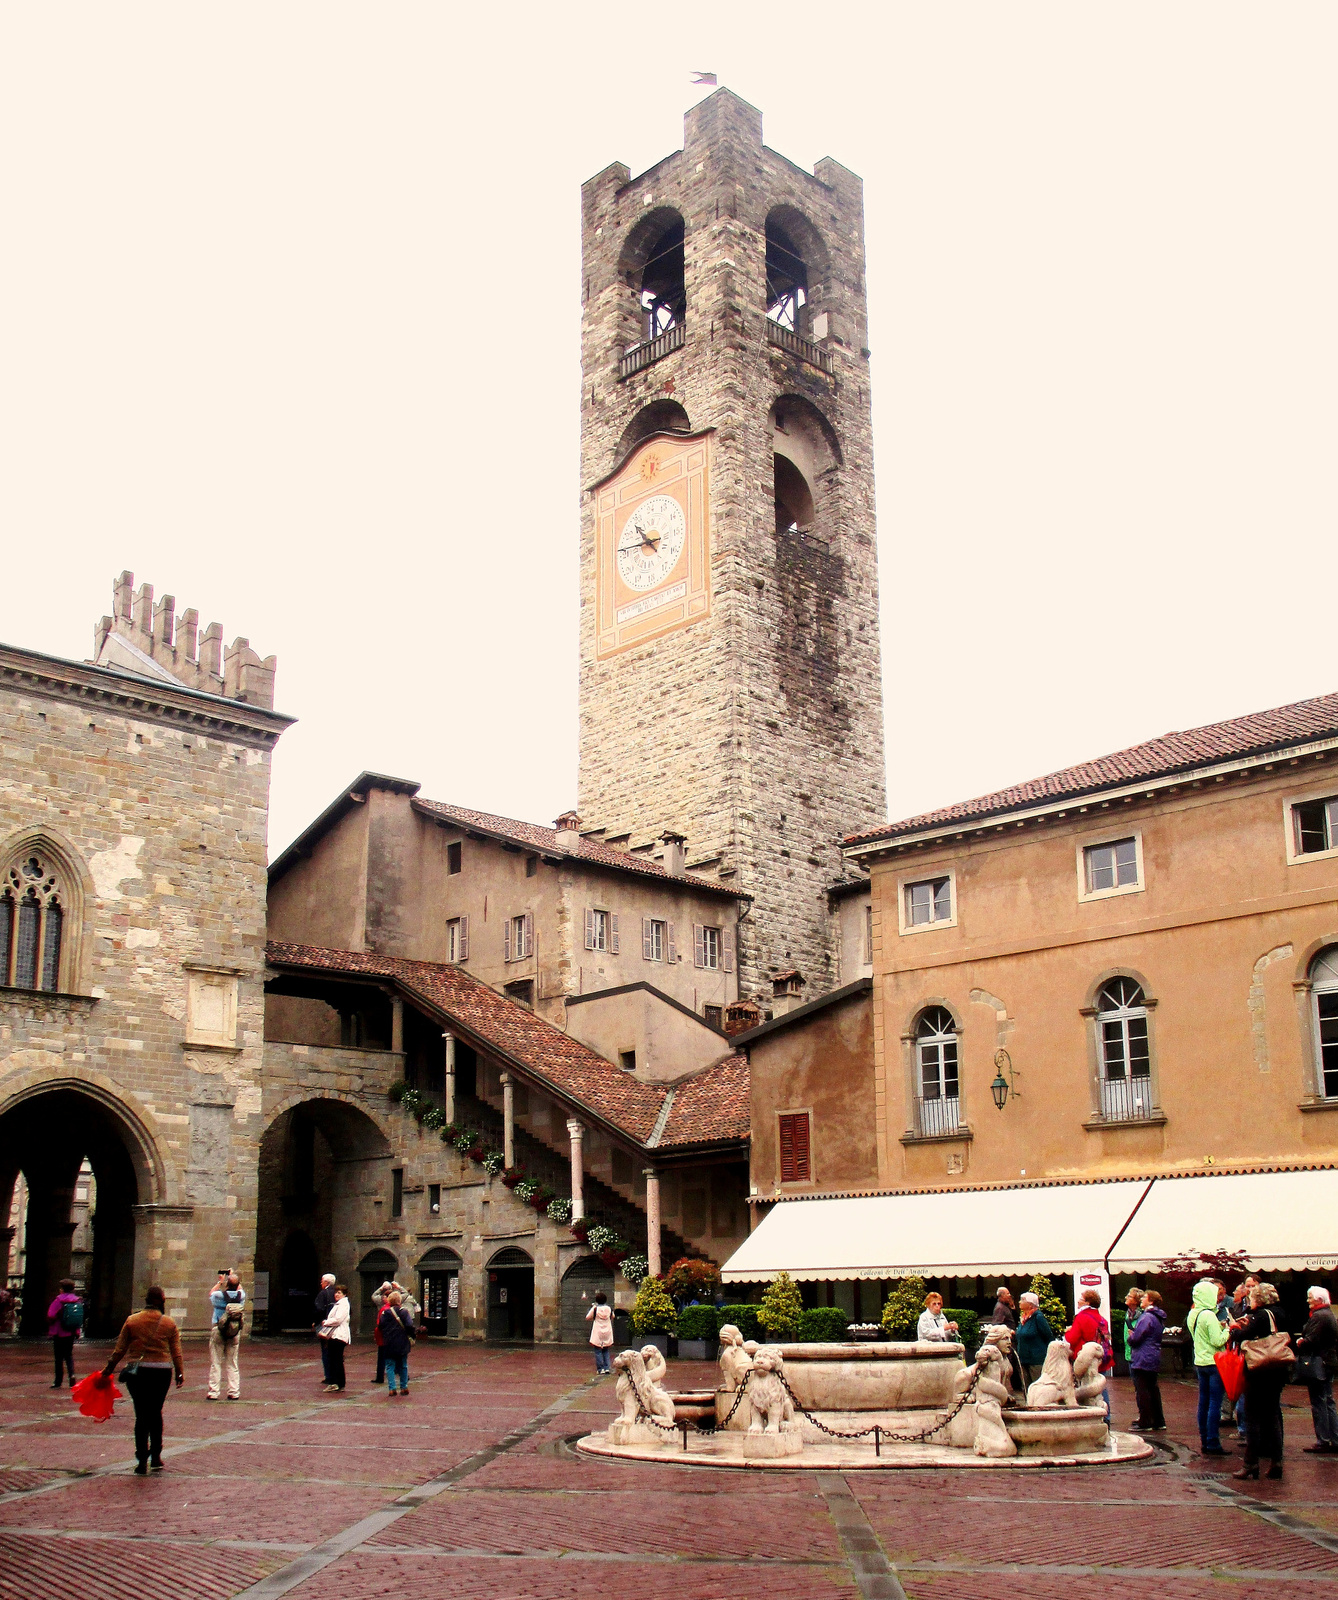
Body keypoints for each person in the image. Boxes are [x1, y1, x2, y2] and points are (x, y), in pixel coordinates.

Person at [102, 1285, 184, 1474]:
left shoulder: (132, 1321)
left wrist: (108, 1369)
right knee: (156, 1412)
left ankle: (141, 1459)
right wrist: (180, 1372)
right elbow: (176, 1352)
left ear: (146, 1300)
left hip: (137, 1372)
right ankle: (156, 1456)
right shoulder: (169, 1323)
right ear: (162, 1300)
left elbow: (120, 1350)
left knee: (141, 1414)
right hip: (162, 1371)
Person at [1229, 1281, 1289, 1480]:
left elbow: (1242, 1335)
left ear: (1259, 1299)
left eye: (1252, 1297)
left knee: (1252, 1415)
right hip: (1278, 1369)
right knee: (1273, 1414)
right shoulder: (1280, 1312)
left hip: (1259, 1370)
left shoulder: (1261, 1315)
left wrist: (1234, 1329)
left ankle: (1251, 1463)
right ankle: (1277, 1460)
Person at [1187, 1278, 1231, 1455]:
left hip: (1200, 1362)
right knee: (1215, 1403)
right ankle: (1213, 1442)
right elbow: (1217, 1340)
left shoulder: (1193, 1314)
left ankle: (1204, 1440)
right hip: (1214, 1363)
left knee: (1203, 1402)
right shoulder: (1208, 1315)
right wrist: (1227, 1328)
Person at [1296, 1285, 1338, 1455]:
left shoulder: (1319, 1317)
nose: (1308, 1301)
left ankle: (1323, 1439)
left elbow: (1311, 1339)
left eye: (1310, 1297)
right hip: (1328, 1361)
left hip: (1319, 1362)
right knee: (1328, 1401)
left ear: (1319, 1299)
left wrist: (1301, 1342)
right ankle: (1333, 1438)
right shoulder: (1328, 1315)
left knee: (1319, 1401)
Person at [1064, 1288, 1114, 1422]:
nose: (1078, 1300)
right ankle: (1105, 1414)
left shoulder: (1082, 1317)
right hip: (1101, 1357)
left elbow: (1072, 1339)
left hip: (1085, 1358)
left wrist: (1067, 1332)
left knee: (1087, 1386)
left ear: (1087, 1302)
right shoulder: (1100, 1317)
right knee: (1100, 1384)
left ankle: (1092, 1415)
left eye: (1081, 1297)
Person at [1128, 1290, 1167, 1431]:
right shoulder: (1157, 1317)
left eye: (1144, 1297)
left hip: (1143, 1357)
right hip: (1153, 1356)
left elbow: (1137, 1338)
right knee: (1153, 1389)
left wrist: (1131, 1337)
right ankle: (1158, 1420)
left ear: (1151, 1301)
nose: (1142, 1299)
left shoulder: (1146, 1317)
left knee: (1142, 1390)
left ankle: (1145, 1421)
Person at [207, 1271, 245, 1401]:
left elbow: (211, 1293)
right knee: (232, 1363)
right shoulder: (241, 1296)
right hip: (234, 1331)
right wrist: (233, 1276)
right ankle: (234, 1391)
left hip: (219, 1329)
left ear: (227, 1284)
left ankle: (214, 1392)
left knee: (216, 1362)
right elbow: (239, 1288)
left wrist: (220, 1282)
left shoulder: (219, 1296)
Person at [47, 1278, 83, 1389]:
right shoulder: (77, 1301)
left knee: (58, 1357)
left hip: (59, 1331)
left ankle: (58, 1381)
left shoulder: (58, 1300)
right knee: (68, 1355)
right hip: (71, 1332)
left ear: (62, 1289)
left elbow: (51, 1315)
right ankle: (71, 1375)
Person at [377, 1289, 414, 1398]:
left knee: (389, 1366)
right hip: (402, 1342)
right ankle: (404, 1387)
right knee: (403, 1365)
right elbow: (409, 1325)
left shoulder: (385, 1313)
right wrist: (412, 1336)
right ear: (399, 1300)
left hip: (389, 1342)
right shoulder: (404, 1312)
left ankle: (392, 1388)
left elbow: (380, 1326)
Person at [1015, 1292, 1053, 1391]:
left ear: (1030, 1304)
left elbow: (1048, 1336)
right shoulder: (1023, 1318)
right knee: (1026, 1387)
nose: (1019, 1302)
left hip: (1036, 1360)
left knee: (1038, 1387)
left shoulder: (1038, 1317)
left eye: (1022, 1300)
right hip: (1023, 1359)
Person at [317, 1283, 350, 1392]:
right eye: (336, 1292)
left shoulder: (343, 1304)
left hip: (338, 1336)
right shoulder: (339, 1304)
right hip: (335, 1335)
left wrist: (326, 1322)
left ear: (344, 1294)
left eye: (339, 1293)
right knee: (335, 1359)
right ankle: (338, 1383)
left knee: (335, 1359)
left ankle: (336, 1382)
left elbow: (338, 1319)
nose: (336, 1294)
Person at [313, 1273, 336, 1387]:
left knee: (326, 1351)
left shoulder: (323, 1293)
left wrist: (316, 1322)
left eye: (322, 1281)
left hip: (325, 1325)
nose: (321, 1283)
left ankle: (329, 1376)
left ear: (326, 1282)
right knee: (334, 1352)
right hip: (336, 1327)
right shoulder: (337, 1293)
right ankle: (334, 1375)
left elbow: (319, 1309)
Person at [370, 1280, 394, 1384]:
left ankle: (380, 1377)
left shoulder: (384, 1308)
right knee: (395, 1357)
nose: (383, 1298)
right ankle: (404, 1375)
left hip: (385, 1337)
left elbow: (381, 1324)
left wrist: (381, 1288)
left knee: (383, 1358)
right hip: (393, 1336)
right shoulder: (397, 1307)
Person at [586, 1290, 615, 1374]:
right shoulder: (609, 1308)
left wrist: (592, 1308)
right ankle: (607, 1367)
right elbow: (613, 1316)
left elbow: (587, 1317)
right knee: (606, 1350)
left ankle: (600, 1369)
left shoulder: (595, 1309)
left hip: (598, 1331)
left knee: (598, 1351)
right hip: (607, 1331)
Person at [1122, 1287, 1144, 1368]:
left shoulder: (1142, 1316)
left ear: (1136, 1301)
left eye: (1129, 1296)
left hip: (1138, 1355)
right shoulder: (1128, 1315)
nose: (1126, 1297)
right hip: (1129, 1353)